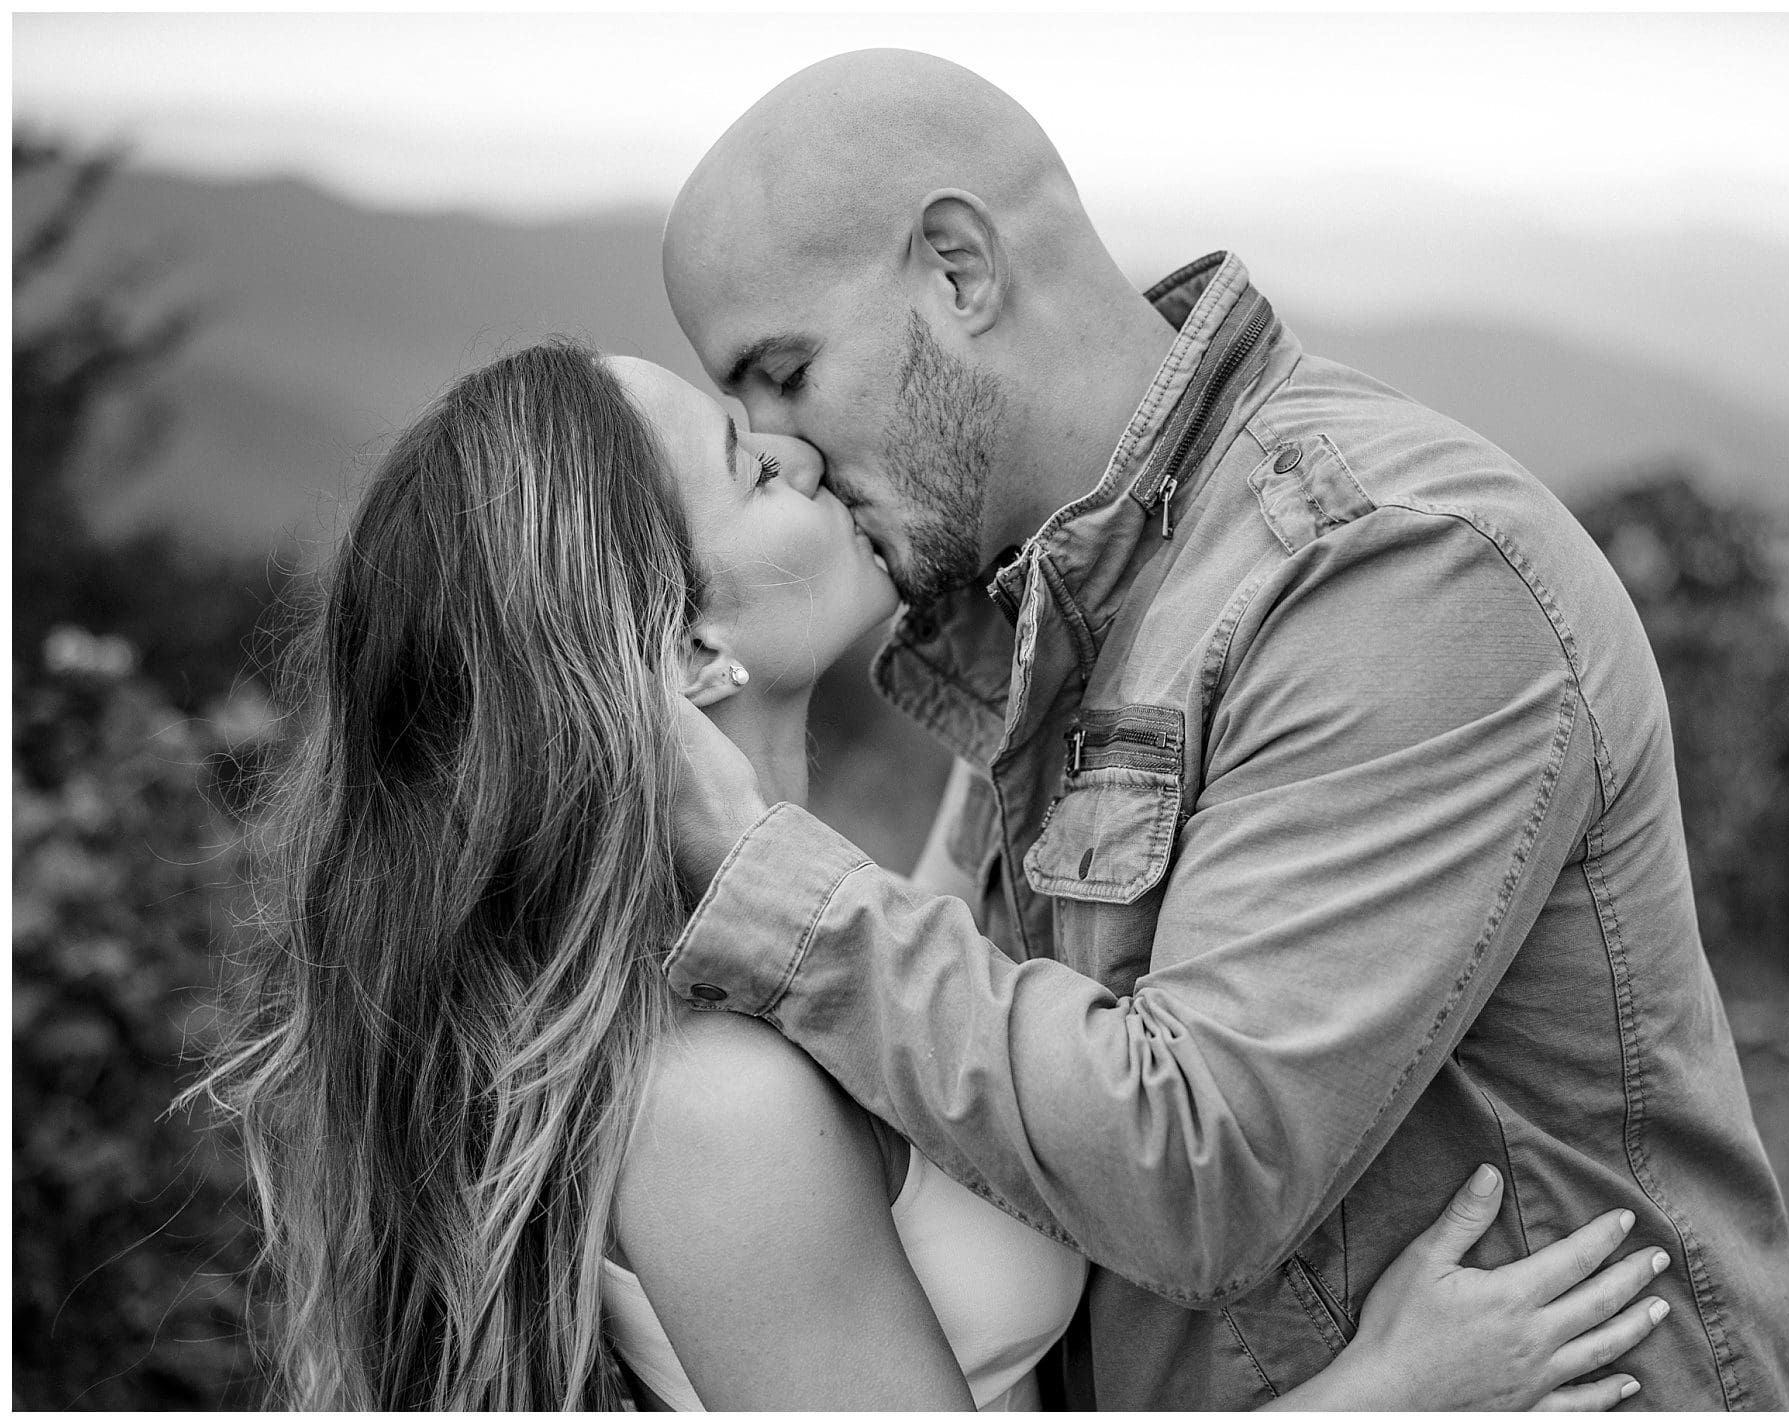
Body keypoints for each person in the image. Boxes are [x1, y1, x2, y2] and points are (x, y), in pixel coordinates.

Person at [190, 340, 1670, 1409]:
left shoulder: (841, 928)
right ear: (690, 653)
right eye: (742, 461)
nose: (798, 451)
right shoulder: (717, 1103)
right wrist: (1394, 1396)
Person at [655, 50, 1789, 1409]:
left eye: (784, 373)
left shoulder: (1388, 567)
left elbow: (1201, 1174)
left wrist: (770, 886)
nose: (774, 445)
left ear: (958, 273)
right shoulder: (1051, 619)